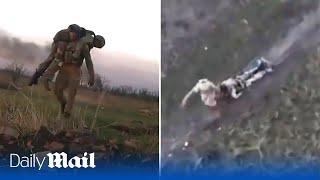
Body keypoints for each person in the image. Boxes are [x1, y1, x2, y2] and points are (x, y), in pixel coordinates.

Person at [54, 35, 105, 118]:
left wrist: (91, 76)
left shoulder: (85, 46)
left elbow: (88, 61)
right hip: (64, 67)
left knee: (72, 91)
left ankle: (68, 112)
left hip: (75, 69)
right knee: (57, 90)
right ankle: (63, 103)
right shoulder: (73, 42)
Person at [28, 24, 93, 86]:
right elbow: (57, 56)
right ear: (70, 32)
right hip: (58, 44)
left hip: (68, 49)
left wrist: (91, 74)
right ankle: (37, 75)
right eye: (73, 35)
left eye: (76, 36)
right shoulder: (63, 36)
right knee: (51, 59)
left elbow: (88, 60)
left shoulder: (81, 37)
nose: (74, 37)